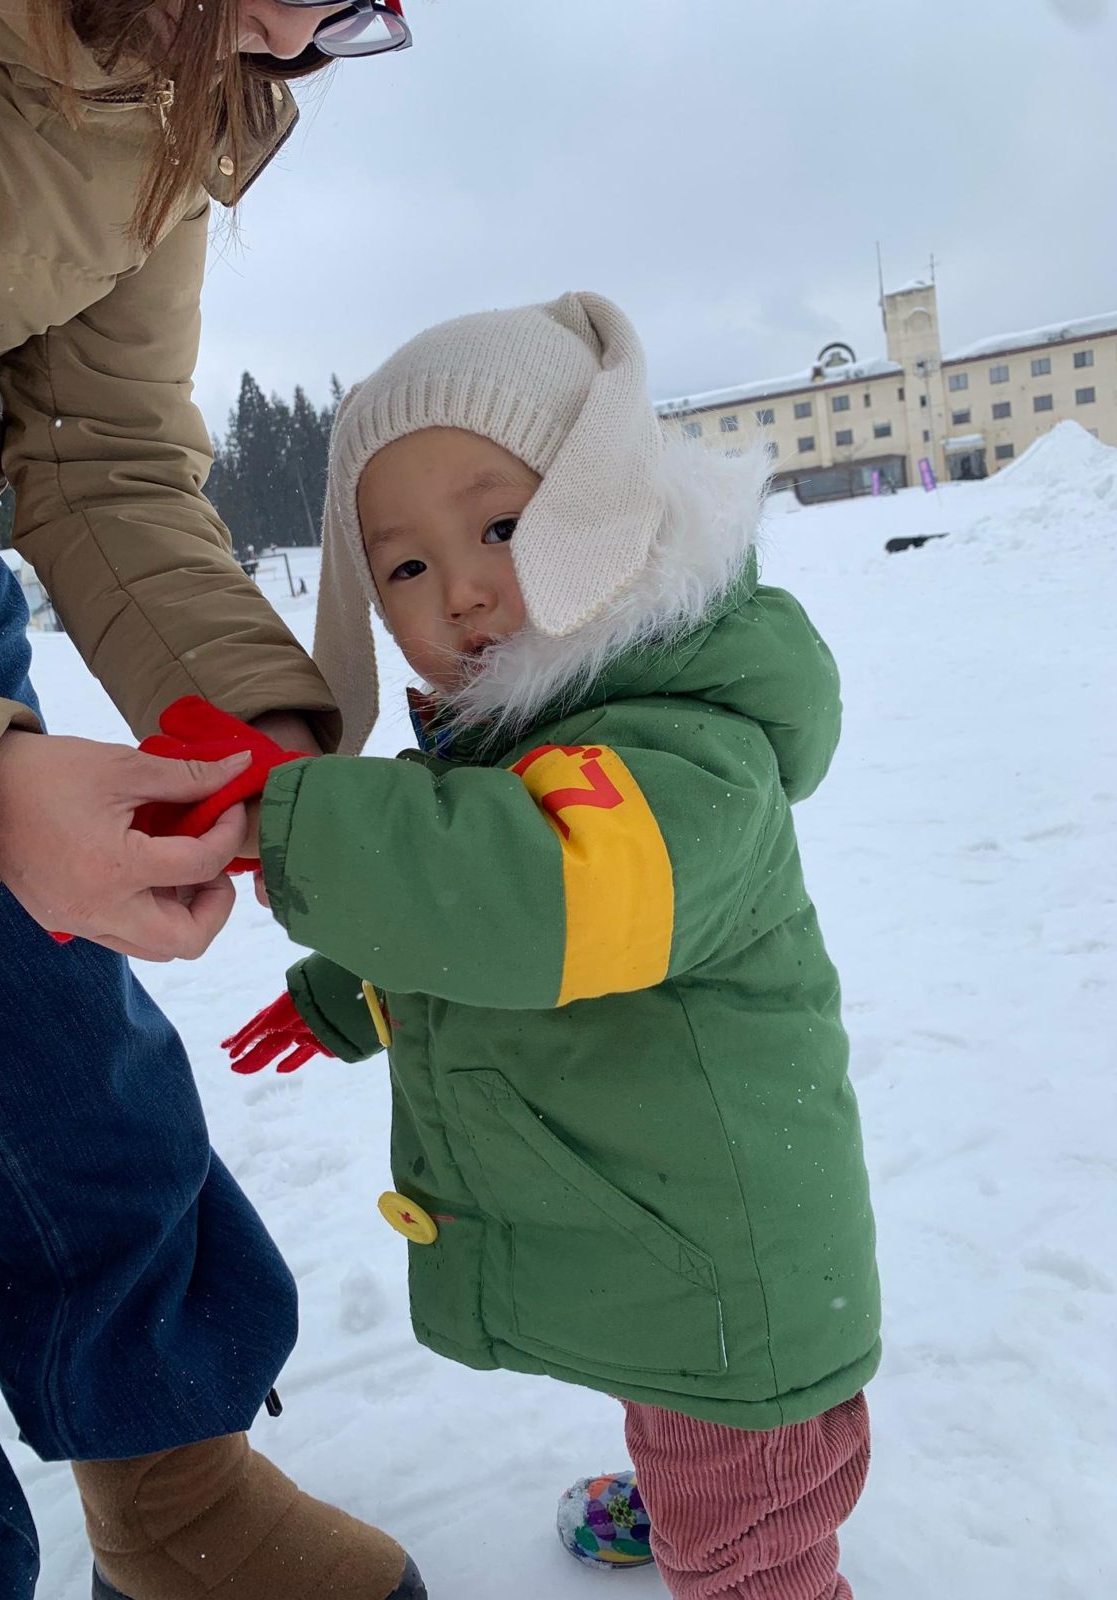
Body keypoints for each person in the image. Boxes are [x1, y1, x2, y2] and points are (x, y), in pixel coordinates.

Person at [216, 292, 881, 1600]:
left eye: (503, 527)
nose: (459, 589)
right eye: (403, 568)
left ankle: (730, 1543)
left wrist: (290, 823)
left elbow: (537, 898)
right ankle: (691, 1497)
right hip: (661, 1238)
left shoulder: (690, 749)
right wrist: (346, 995)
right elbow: (473, 914)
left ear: (611, 506)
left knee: (750, 1532)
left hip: (735, 1274)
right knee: (681, 1412)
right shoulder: (532, 742)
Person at [0, 3, 423, 1598]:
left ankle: (169, 1489)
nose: (299, 30)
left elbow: (101, 449)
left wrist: (253, 733)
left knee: (72, 1070)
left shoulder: (188, 81)